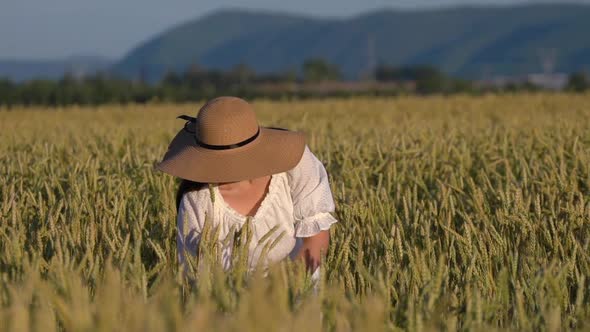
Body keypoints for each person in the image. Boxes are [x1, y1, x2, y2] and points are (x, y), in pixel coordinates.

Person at [156, 96, 338, 279]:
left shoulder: (296, 165)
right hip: (228, 298)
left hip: (298, 280)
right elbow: (198, 274)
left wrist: (282, 294)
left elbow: (316, 241)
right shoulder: (197, 200)